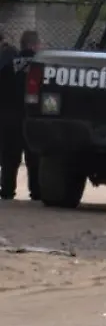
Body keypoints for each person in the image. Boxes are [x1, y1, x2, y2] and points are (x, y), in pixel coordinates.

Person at [1, 31, 41, 201]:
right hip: (34, 118)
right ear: (34, 45)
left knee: (9, 157)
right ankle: (37, 191)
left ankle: (7, 190)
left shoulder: (9, 66)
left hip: (10, 117)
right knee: (35, 157)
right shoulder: (42, 66)